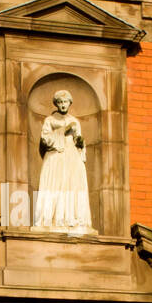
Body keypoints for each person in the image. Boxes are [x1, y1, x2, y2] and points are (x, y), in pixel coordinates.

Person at [32, 89, 93, 234]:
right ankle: (52, 218)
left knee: (71, 184)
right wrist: (64, 130)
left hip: (71, 156)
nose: (63, 105)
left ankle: (72, 218)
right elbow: (45, 139)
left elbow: (79, 141)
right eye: (60, 102)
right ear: (56, 104)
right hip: (56, 157)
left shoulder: (75, 121)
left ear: (69, 103)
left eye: (65, 102)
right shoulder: (50, 120)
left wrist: (80, 142)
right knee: (56, 184)